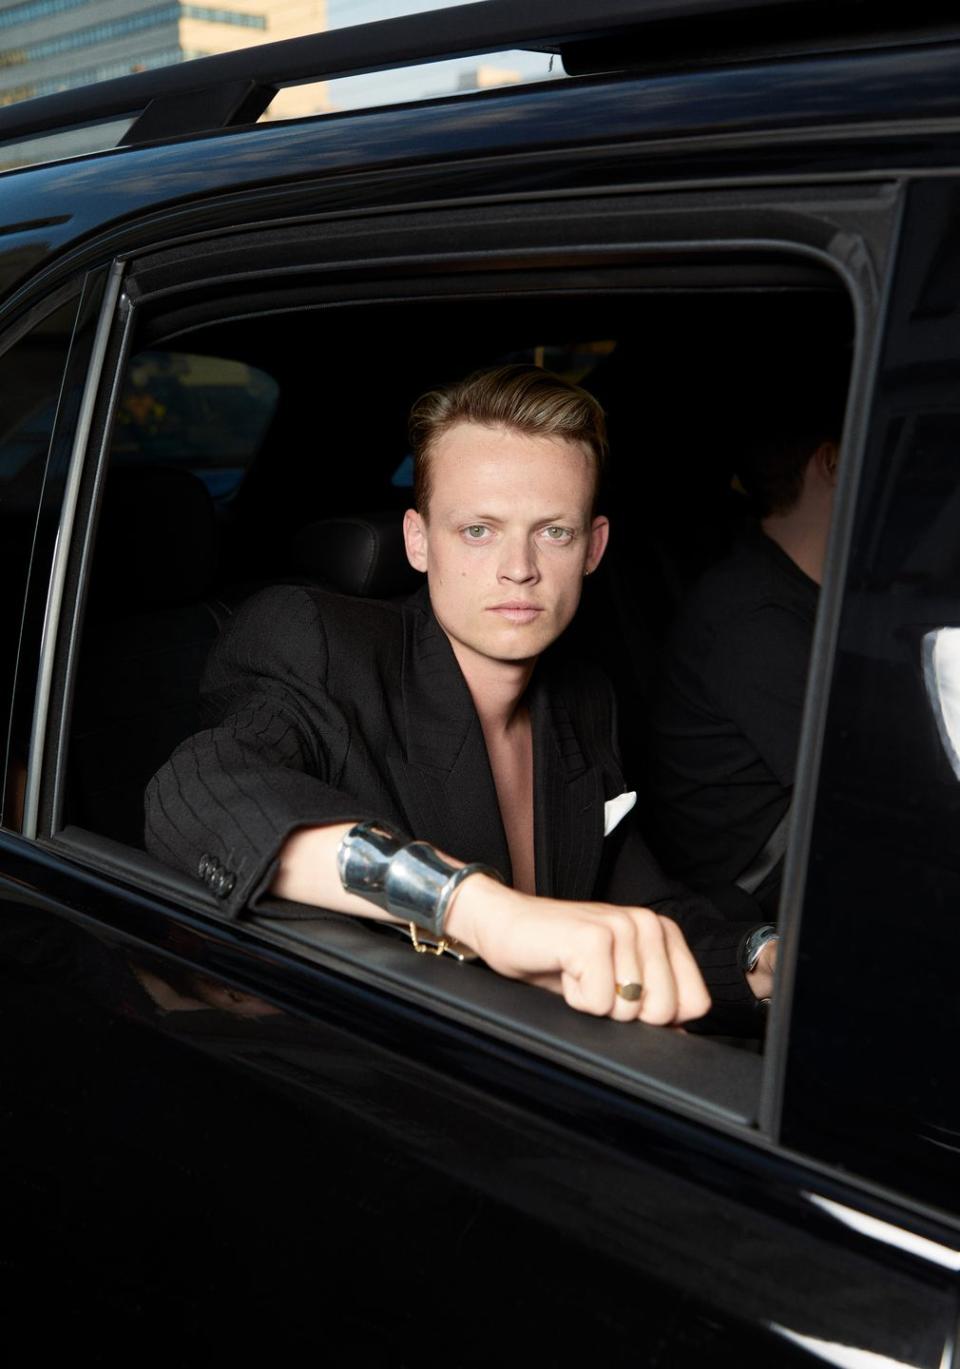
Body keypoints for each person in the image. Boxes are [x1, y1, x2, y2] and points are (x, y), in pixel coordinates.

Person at [146, 365, 776, 1028]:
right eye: (479, 530)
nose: (519, 567)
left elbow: (641, 908)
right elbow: (200, 790)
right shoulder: (318, 641)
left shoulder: (581, 699)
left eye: (553, 531)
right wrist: (475, 908)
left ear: (593, 549)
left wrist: (760, 959)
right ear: (418, 541)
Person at [650, 387, 844, 921]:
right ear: (831, 462)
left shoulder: (792, 590)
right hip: (751, 902)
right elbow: (857, 795)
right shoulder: (754, 617)